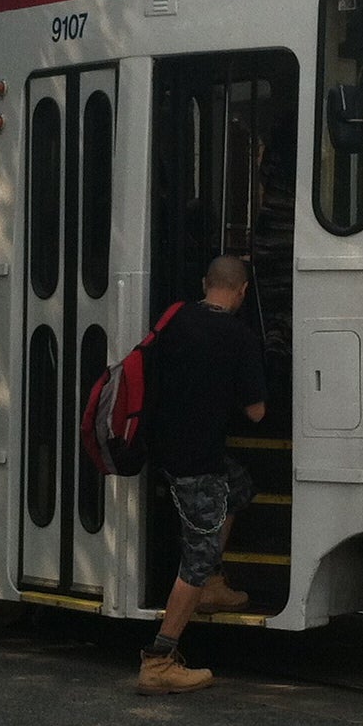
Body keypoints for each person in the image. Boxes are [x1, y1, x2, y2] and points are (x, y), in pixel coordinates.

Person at [135, 254, 267, 694]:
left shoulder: (175, 319)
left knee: (241, 486)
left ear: (204, 282)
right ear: (243, 292)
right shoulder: (239, 337)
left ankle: (211, 585)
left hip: (167, 450)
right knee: (197, 555)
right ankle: (160, 659)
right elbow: (256, 412)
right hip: (198, 463)